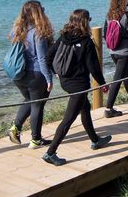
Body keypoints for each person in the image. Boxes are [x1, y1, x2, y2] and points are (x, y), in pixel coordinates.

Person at [42, 9, 112, 166]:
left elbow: (48, 57)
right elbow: (93, 67)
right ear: (85, 22)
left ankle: (95, 140)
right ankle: (50, 152)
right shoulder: (86, 41)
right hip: (79, 85)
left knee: (85, 108)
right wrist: (103, 84)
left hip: (65, 82)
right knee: (68, 119)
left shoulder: (63, 37)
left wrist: (56, 73)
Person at [7, 0, 54, 149]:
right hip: (36, 75)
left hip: (20, 74)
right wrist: (49, 78)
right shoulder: (37, 32)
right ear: (38, 13)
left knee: (29, 100)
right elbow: (41, 58)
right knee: (37, 105)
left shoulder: (17, 29)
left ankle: (15, 127)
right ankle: (36, 139)